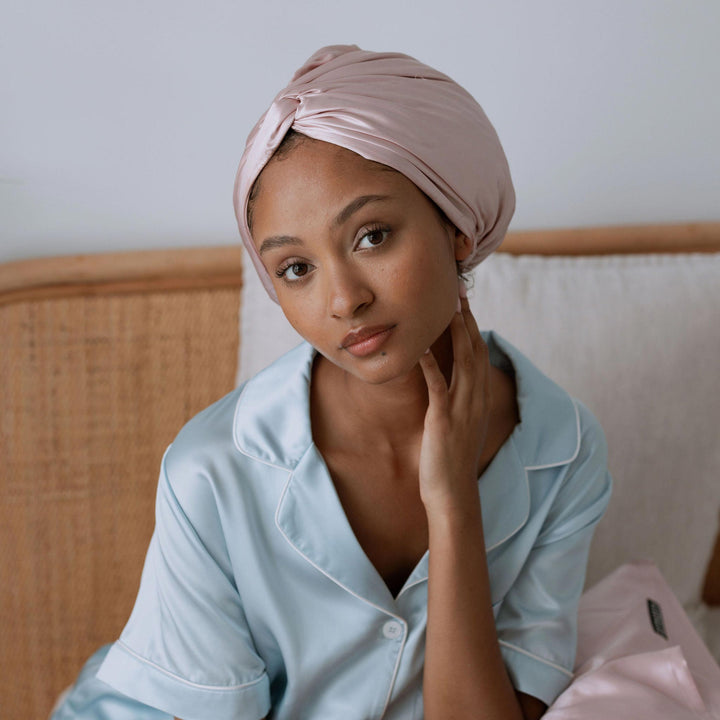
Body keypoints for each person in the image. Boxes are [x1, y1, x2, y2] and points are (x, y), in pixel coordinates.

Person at [52, 45, 612, 720]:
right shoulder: (212, 472)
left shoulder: (562, 448)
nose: (343, 300)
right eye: (295, 269)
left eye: (372, 236)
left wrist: (454, 502)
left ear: (458, 226)